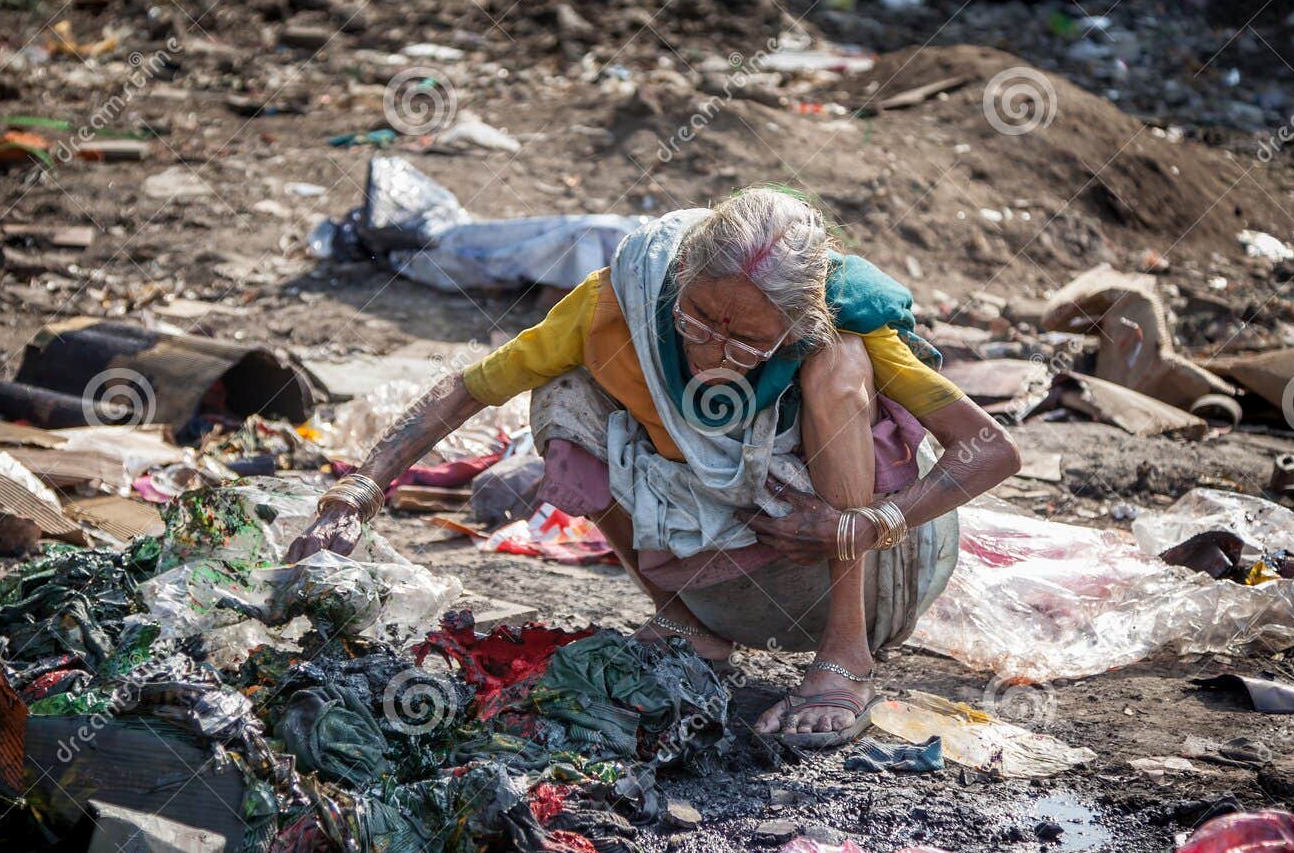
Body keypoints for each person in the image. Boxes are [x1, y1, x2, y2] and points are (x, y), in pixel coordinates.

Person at [289, 187, 1020, 748]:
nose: (711, 353)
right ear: (678, 283)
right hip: (717, 581)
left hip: (866, 561)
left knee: (841, 366)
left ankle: (845, 658)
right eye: (699, 321)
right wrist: (358, 488)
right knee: (565, 391)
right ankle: (684, 626)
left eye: (746, 343)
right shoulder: (625, 299)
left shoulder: (831, 323)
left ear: (795, 325)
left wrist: (868, 524)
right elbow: (469, 387)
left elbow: (992, 447)